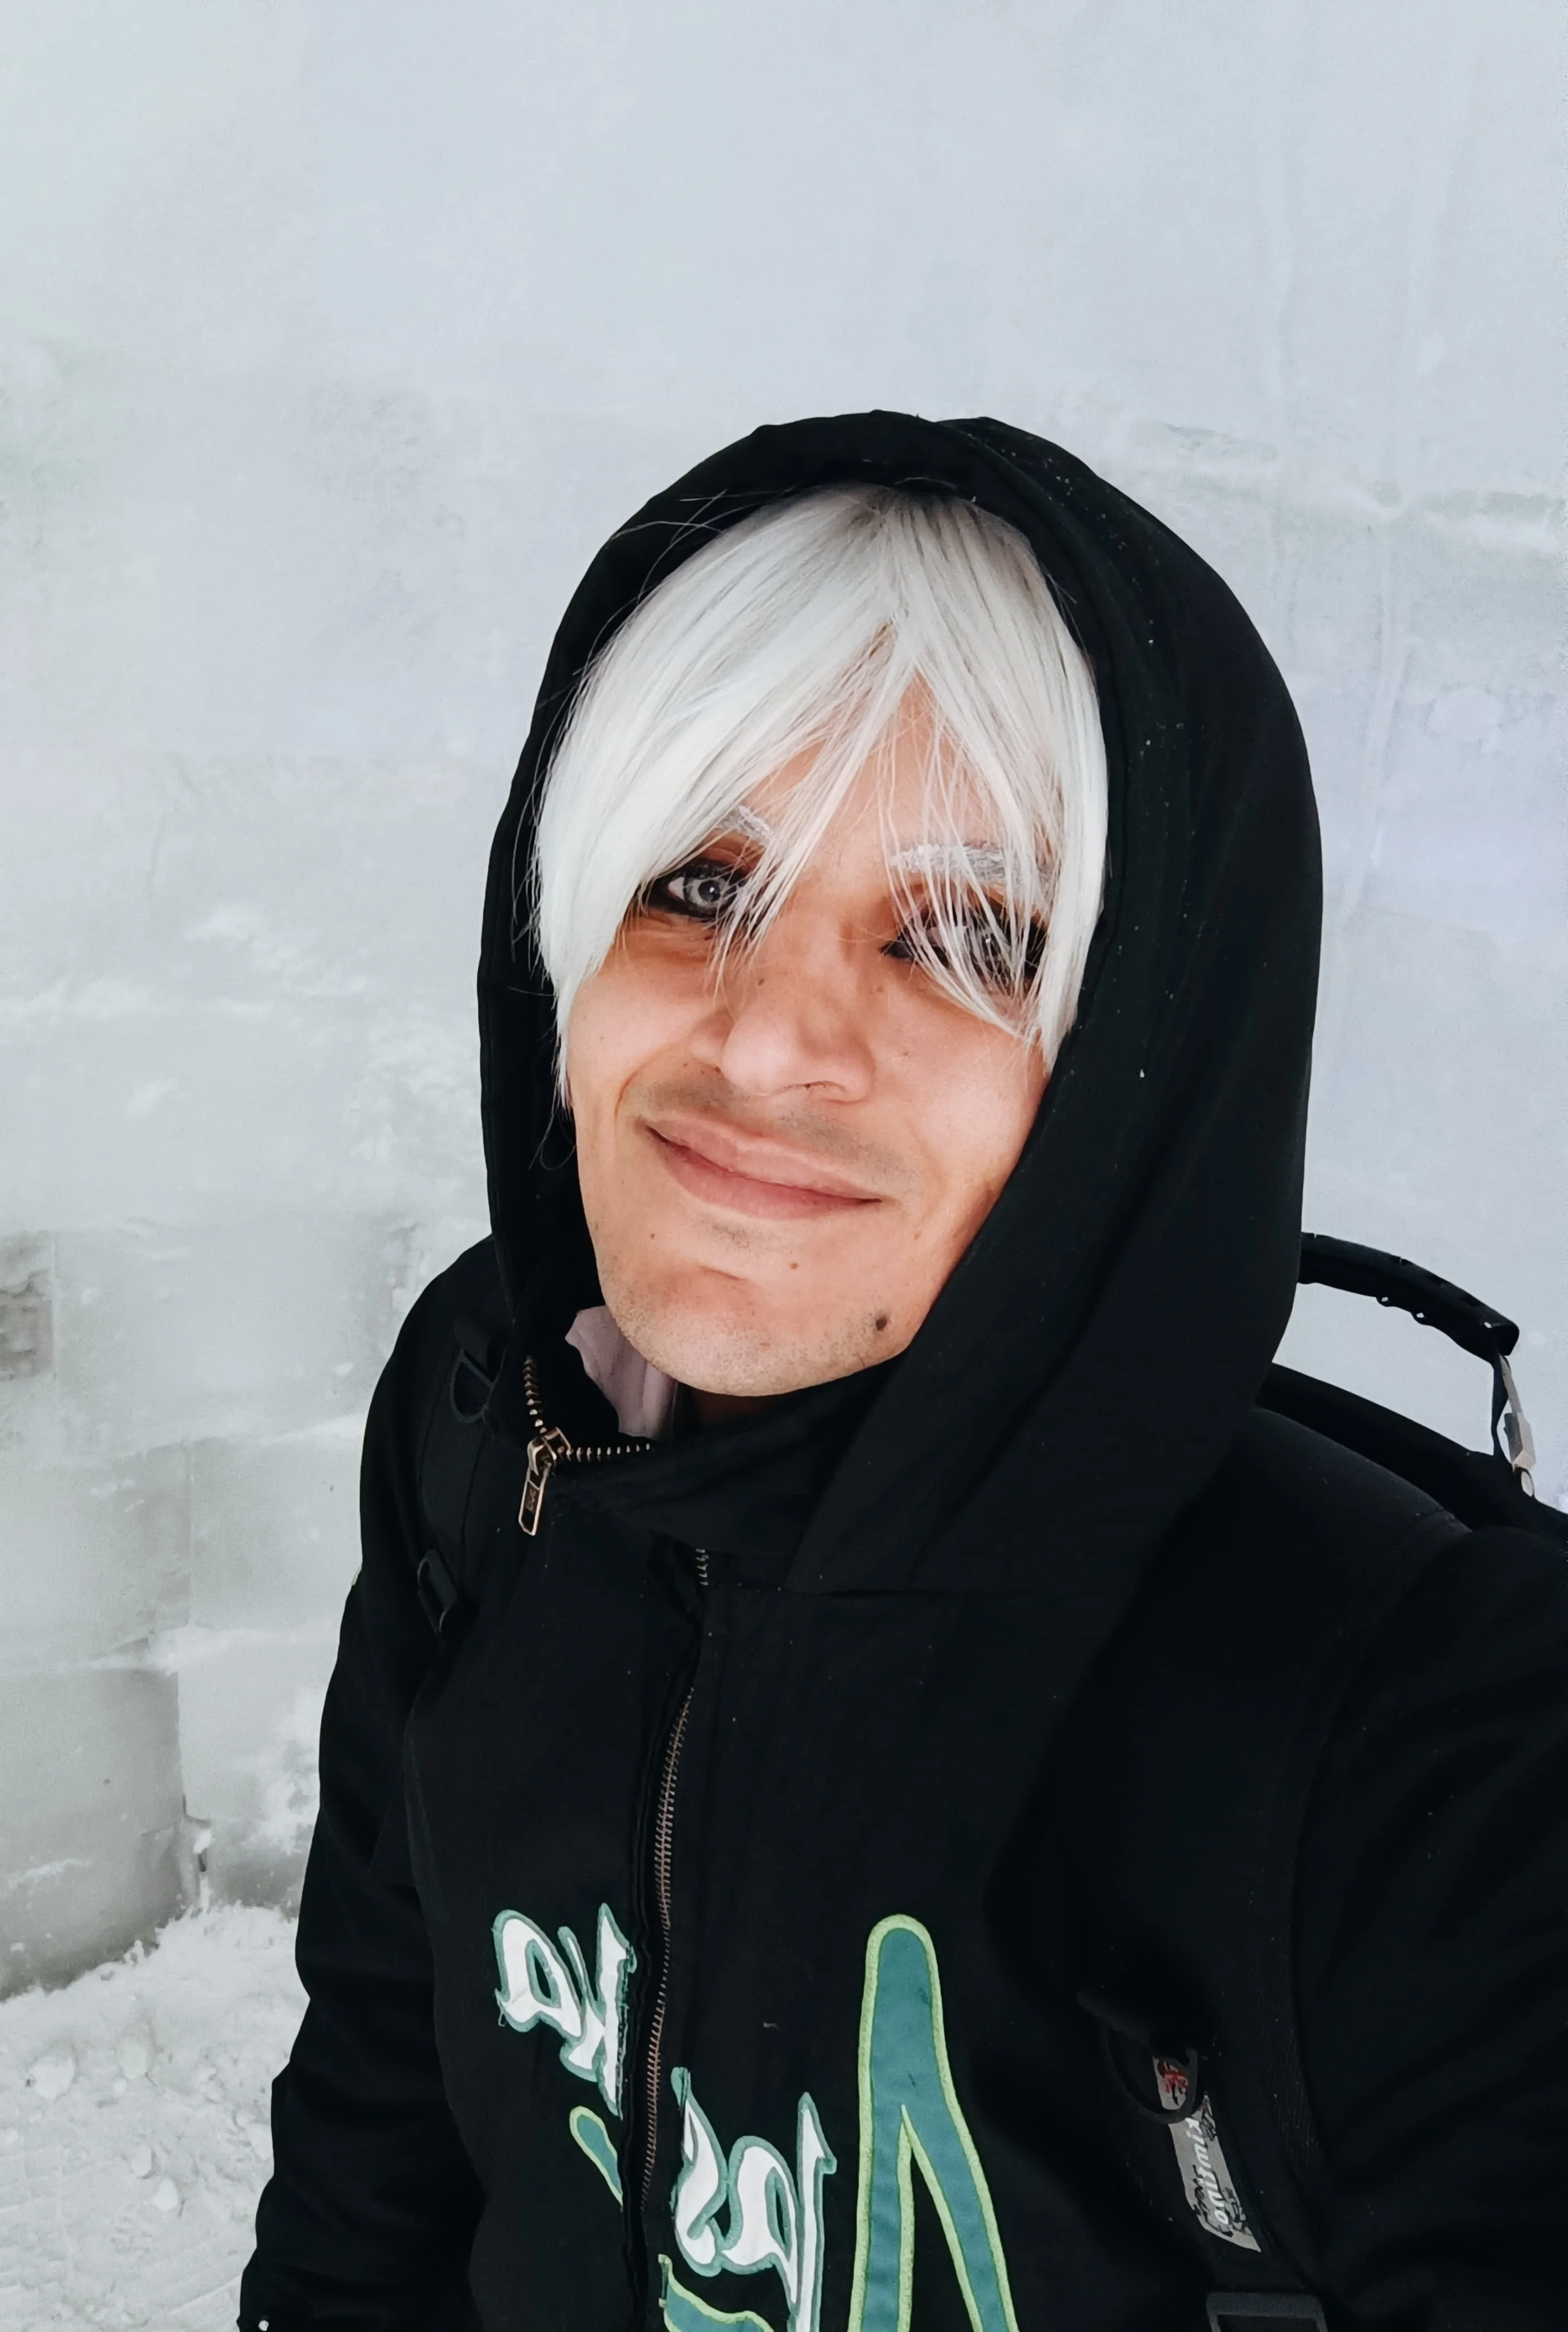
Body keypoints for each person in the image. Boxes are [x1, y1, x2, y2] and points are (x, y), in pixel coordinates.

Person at [239, 414, 1568, 2332]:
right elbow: (379, 2121)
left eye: (964, 936)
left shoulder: (1439, 1737)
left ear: (1138, 1063)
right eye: (698, 884)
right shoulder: (493, 1425)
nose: (767, 1042)